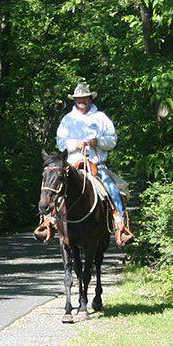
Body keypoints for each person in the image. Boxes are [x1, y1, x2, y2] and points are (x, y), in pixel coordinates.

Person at [56, 82, 134, 245]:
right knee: (53, 188)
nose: (81, 100)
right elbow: (60, 142)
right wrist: (74, 144)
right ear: (74, 100)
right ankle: (47, 222)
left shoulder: (101, 118)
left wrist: (97, 141)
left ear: (90, 99)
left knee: (113, 190)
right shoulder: (67, 120)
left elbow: (112, 140)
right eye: (78, 98)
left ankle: (120, 226)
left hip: (96, 165)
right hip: (72, 166)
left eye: (85, 97)